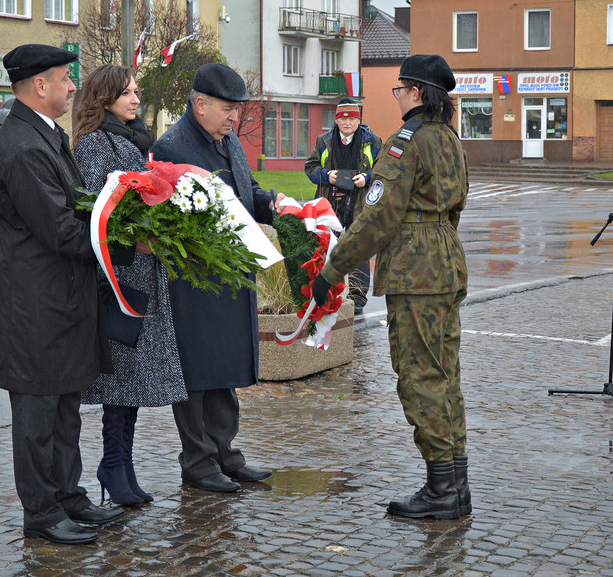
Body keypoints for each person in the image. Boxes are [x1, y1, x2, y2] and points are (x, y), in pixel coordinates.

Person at [312, 55, 470, 520]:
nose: (397, 96)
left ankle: (442, 488)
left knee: (420, 376)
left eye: (400, 89)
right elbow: (456, 207)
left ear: (417, 92)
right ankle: (455, 485)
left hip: (415, 272)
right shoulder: (450, 139)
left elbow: (376, 218)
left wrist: (331, 271)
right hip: (445, 263)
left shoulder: (407, 142)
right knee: (446, 375)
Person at [0, 44, 124, 544]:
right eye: (65, 79)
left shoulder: (42, 134)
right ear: (39, 85)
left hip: (57, 304)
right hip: (34, 309)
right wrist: (121, 232)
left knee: (65, 408)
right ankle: (42, 512)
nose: (72, 87)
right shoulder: (22, 146)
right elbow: (62, 230)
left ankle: (68, 496)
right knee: (38, 416)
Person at [151, 63, 286, 493]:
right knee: (196, 373)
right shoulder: (172, 147)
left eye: (237, 110)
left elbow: (245, 192)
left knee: (224, 369)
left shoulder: (227, 142)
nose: (235, 118)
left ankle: (226, 454)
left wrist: (275, 203)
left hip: (231, 276)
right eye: (229, 110)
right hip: (195, 281)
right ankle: (198, 462)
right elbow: (170, 218)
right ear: (201, 104)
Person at [72, 64, 188, 505]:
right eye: (128, 93)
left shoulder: (129, 139)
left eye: (136, 91)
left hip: (143, 271)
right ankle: (112, 464)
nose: (136, 99)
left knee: (134, 381)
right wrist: (133, 244)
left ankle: (123, 464)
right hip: (119, 277)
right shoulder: (96, 144)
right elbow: (98, 212)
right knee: (120, 380)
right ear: (104, 99)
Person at [304, 98, 382, 314]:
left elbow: (384, 170)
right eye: (343, 118)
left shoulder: (373, 141)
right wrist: (327, 175)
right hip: (331, 203)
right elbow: (310, 167)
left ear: (359, 120)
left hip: (360, 203)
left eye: (352, 118)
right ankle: (323, 295)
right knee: (324, 248)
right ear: (336, 120)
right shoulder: (323, 141)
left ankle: (357, 299)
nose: (347, 122)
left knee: (359, 249)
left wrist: (367, 178)